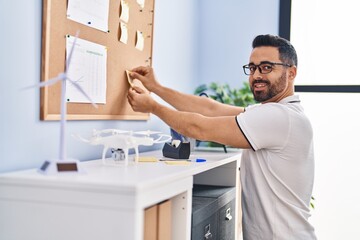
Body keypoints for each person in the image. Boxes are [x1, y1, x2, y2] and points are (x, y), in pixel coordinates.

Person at [127, 34, 317, 240]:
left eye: (266, 67)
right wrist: (156, 88)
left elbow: (198, 127)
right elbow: (211, 109)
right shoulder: (276, 113)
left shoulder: (281, 117)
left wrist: (152, 106)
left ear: (292, 73)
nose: (256, 75)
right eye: (252, 68)